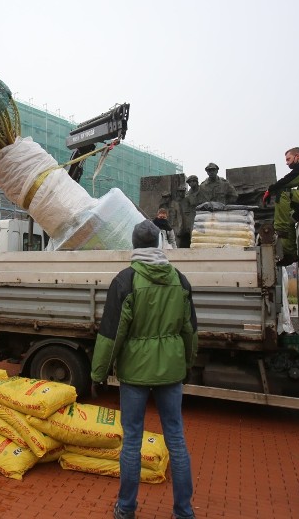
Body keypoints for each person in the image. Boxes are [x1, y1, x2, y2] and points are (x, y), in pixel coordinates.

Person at [91, 220, 198, 519]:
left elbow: (111, 334)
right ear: (159, 245)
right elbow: (190, 330)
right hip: (171, 371)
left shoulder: (125, 280)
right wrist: (186, 364)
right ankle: (184, 512)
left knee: (132, 440)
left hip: (134, 372)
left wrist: (98, 375)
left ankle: (125, 509)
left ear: (135, 245)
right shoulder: (180, 280)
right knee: (176, 438)